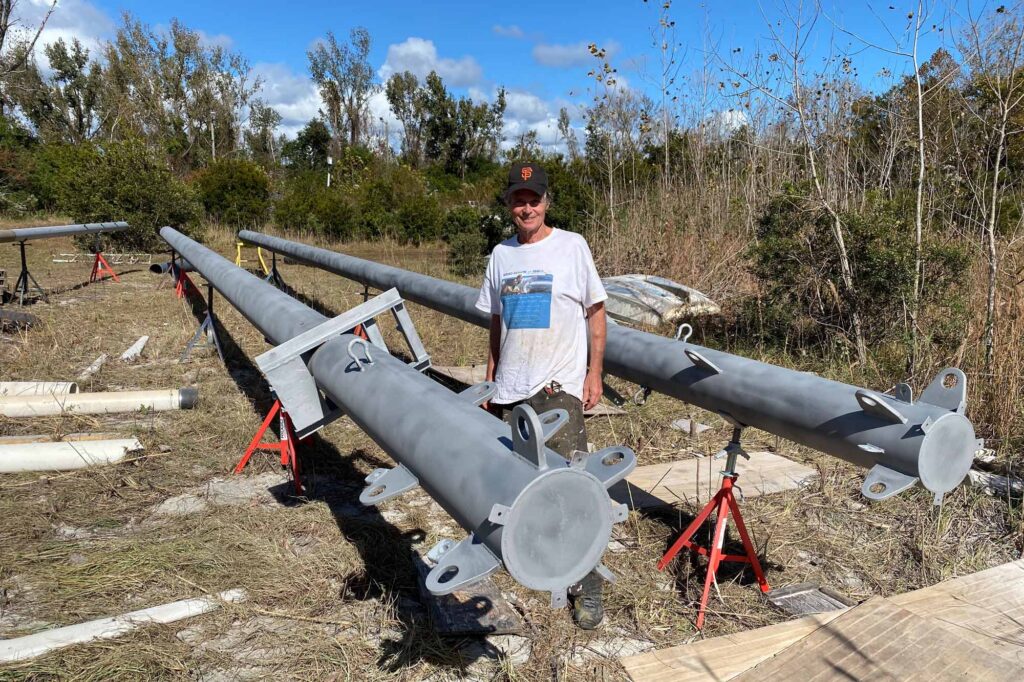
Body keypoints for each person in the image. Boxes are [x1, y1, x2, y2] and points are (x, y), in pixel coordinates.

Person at [475, 162, 609, 629]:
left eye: (534, 198)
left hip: (557, 389)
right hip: (511, 390)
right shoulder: (500, 256)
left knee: (571, 487)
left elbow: (596, 312)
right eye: (518, 198)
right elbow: (495, 322)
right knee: (516, 487)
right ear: (509, 204)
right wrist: (491, 379)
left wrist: (594, 373)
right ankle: (538, 562)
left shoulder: (571, 247)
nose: (526, 206)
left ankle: (587, 583)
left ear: (546, 201)